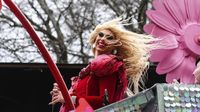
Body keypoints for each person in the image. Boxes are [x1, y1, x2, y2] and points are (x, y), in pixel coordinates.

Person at [49, 18, 154, 111]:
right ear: (95, 38)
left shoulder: (109, 65)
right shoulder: (89, 71)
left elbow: (106, 103)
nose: (103, 38)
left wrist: (69, 98)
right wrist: (62, 97)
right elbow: (82, 107)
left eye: (110, 38)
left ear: (115, 47)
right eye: (101, 34)